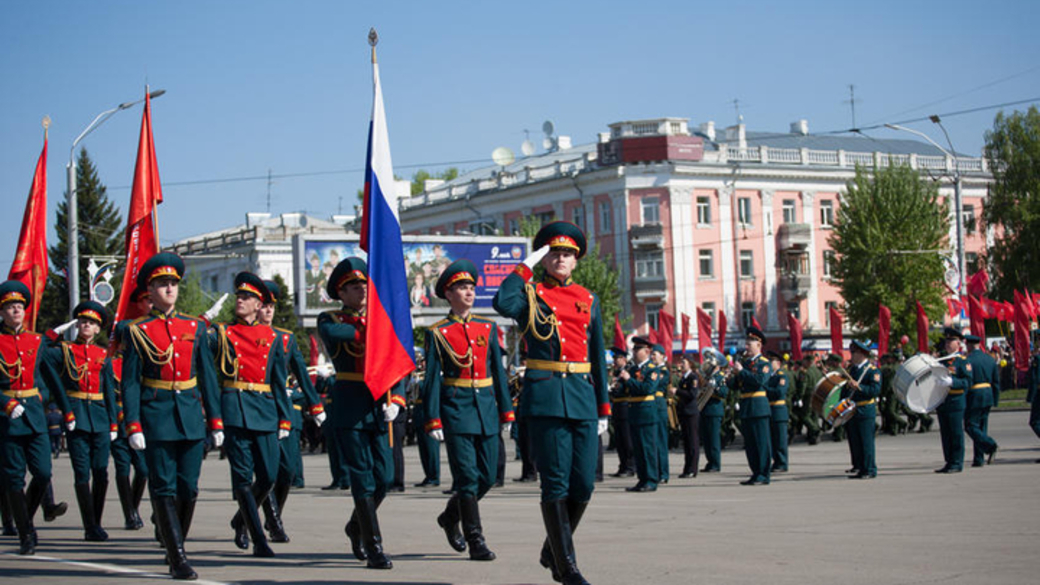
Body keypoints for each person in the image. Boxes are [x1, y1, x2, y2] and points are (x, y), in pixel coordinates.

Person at [493, 221, 610, 585]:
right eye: (554, 253)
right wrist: (524, 267)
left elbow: (597, 352)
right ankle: (567, 566)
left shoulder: (588, 298)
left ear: (576, 261)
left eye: (568, 254)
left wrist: (603, 406)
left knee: (584, 486)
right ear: (545, 258)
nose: (562, 258)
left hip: (581, 395)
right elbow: (502, 302)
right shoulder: (530, 294)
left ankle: (552, 549)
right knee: (555, 485)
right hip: (546, 396)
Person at [121, 253, 223, 580]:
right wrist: (133, 423)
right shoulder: (137, 331)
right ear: (149, 291)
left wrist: (216, 421)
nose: (169, 288)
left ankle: (172, 536)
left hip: (191, 416)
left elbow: (207, 376)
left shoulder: (194, 327)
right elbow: (130, 383)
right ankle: (177, 554)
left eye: (173, 284)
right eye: (162, 284)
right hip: (157, 417)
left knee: (189, 489)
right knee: (163, 488)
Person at [423, 259, 515, 561]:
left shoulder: (486, 328)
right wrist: (433, 418)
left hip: (486, 407)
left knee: (488, 476)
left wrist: (507, 411)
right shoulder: (438, 332)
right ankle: (476, 539)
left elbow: (498, 373)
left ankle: (450, 516)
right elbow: (432, 379)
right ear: (448, 294)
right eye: (462, 287)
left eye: (471, 286)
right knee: (466, 478)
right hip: (456, 409)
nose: (469, 291)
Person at [318, 257, 406, 570]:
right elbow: (339, 335)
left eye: (364, 284)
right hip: (350, 406)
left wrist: (397, 397)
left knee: (384, 478)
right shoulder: (329, 318)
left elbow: (397, 359)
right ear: (341, 293)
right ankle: (374, 547)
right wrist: (374, 329)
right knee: (362, 479)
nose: (361, 290)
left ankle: (355, 525)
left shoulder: (379, 321)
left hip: (378, 403)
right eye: (354, 286)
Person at [214, 273, 292, 558]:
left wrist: (284, 417)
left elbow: (278, 380)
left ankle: (240, 518)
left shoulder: (272, 338)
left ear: (259, 305)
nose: (240, 300)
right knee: (243, 479)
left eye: (246, 297)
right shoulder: (222, 333)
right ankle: (259, 539)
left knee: (269, 476)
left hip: (265, 409)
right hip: (234, 408)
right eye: (239, 296)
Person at [45, 300, 117, 541]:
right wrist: (54, 333)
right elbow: (40, 355)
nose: (87, 325)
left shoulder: (103, 355)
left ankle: (96, 520)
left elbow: (108, 389)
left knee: (101, 472)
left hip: (99, 417)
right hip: (76, 415)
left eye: (92, 323)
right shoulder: (64, 351)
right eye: (83, 321)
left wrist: (113, 422)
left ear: (98, 329)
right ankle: (89, 525)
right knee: (81, 473)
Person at [0, 280, 56, 555]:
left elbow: (46, 377)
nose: (16, 311)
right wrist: (6, 403)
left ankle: (27, 521)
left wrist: (45, 397)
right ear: (2, 312)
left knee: (43, 472)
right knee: (13, 479)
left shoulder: (36, 340)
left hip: (34, 416)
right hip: (8, 419)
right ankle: (26, 534)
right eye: (10, 307)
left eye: (19, 306)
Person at [106, 288, 152, 531]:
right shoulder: (110, 365)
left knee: (143, 471)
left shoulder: (143, 364)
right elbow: (107, 396)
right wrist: (115, 421)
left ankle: (132, 507)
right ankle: (129, 514)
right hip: (118, 426)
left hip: (138, 424)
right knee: (123, 470)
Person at [732, 326, 772, 485]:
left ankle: (764, 473)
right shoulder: (746, 363)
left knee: (761, 442)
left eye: (749, 344)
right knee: (750, 443)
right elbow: (736, 386)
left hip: (758, 406)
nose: (746, 347)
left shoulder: (764, 363)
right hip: (747, 406)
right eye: (746, 343)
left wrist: (741, 372)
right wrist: (732, 376)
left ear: (759, 345)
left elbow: (759, 381)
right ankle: (755, 472)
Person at [618, 337, 659, 492]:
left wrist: (628, 381)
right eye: (634, 349)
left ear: (647, 351)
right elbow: (626, 390)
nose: (634, 352)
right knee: (638, 449)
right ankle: (642, 479)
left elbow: (646, 389)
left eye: (637, 349)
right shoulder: (633, 369)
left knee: (648, 448)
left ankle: (651, 480)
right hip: (634, 412)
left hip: (646, 413)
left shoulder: (652, 369)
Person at [842, 340, 880, 479]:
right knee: (855, 441)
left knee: (866, 441)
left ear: (862, 354)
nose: (851, 355)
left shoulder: (872, 371)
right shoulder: (852, 370)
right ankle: (860, 467)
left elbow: (875, 390)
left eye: (854, 352)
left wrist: (860, 387)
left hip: (865, 408)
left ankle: (870, 469)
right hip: (852, 409)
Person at [935, 327, 971, 474]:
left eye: (951, 341)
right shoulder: (941, 361)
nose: (948, 344)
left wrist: (952, 382)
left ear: (959, 344)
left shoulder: (962, 361)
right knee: (946, 434)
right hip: (943, 401)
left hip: (956, 401)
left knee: (956, 433)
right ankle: (949, 461)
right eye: (947, 341)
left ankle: (957, 462)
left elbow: (967, 382)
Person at [964, 334, 999, 467]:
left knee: (970, 425)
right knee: (982, 427)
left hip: (975, 394)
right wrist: (995, 399)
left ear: (969, 345)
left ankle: (990, 445)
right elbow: (996, 381)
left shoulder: (968, 360)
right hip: (988, 393)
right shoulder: (989, 359)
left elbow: (967, 379)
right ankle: (978, 458)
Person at [698, 348, 728, 472]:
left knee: (713, 438)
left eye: (710, 361)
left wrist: (713, 387)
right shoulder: (706, 376)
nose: (708, 363)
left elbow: (724, 392)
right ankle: (710, 462)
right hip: (705, 409)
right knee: (706, 438)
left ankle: (715, 463)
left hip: (714, 410)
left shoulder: (720, 377)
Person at [608, 348, 635, 477]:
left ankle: (630, 466)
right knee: (619, 440)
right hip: (617, 406)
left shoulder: (629, 371)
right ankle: (623, 465)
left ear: (623, 359)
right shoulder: (617, 372)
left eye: (616, 359)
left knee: (627, 439)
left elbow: (628, 388)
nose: (614, 361)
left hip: (625, 406)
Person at [674, 353, 700, 478]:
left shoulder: (692, 377)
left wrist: (677, 391)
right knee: (686, 441)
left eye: (683, 363)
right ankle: (687, 467)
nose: (681, 365)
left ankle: (692, 468)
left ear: (690, 363)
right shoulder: (684, 378)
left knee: (692, 441)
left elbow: (692, 394)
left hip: (690, 413)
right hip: (684, 412)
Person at [765, 352, 791, 473]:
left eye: (771, 362)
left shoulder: (782, 377)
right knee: (772, 440)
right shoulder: (769, 376)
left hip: (779, 411)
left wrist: (765, 389)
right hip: (769, 410)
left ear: (778, 363)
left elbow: (779, 392)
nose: (769, 364)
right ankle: (776, 461)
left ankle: (782, 462)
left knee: (780, 440)